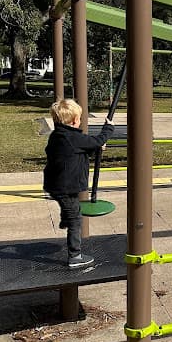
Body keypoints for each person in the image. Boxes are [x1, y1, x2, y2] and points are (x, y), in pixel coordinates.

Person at [43, 99, 115, 268]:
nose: (81, 120)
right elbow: (97, 141)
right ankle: (75, 256)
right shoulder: (74, 138)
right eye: (80, 118)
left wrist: (94, 147)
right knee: (76, 218)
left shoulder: (58, 135)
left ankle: (65, 219)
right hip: (65, 187)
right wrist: (108, 128)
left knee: (71, 206)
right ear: (75, 120)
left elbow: (76, 151)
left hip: (57, 184)